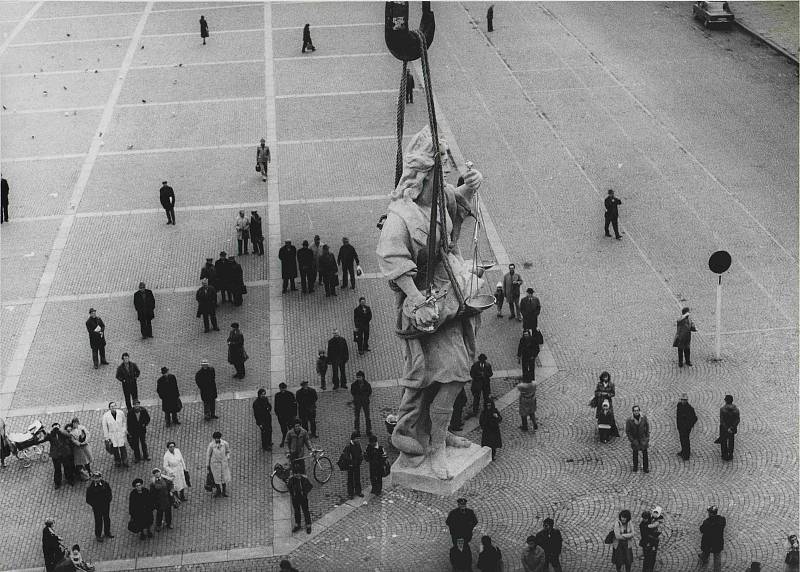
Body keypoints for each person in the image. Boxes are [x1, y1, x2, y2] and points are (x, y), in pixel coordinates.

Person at [375, 124, 486, 478]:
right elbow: (393, 260)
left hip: (451, 301)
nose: (442, 184)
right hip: (425, 309)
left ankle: (428, 432)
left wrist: (471, 183)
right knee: (448, 374)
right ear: (422, 176)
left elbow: (460, 202)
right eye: (438, 176)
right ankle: (431, 442)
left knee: (449, 372)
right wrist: (416, 299)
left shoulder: (441, 201)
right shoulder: (401, 217)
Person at [85, 472, 113, 542]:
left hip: (105, 506)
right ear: (93, 479)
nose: (97, 479)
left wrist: (108, 501)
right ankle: (98, 535)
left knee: (107, 519)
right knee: (98, 521)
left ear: (100, 477)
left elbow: (109, 493)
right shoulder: (90, 488)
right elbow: (88, 499)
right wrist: (95, 505)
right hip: (97, 508)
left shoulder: (105, 484)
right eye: (95, 478)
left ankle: (107, 532)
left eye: (98, 478)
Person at [287, 460, 313, 534]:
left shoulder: (304, 479)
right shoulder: (291, 479)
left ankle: (308, 525)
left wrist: (305, 493)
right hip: (295, 498)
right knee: (297, 511)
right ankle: (298, 524)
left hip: (303, 497)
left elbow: (310, 486)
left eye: (298, 473)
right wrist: (292, 494)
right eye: (296, 474)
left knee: (306, 511)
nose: (298, 475)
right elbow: (289, 487)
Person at [46, 422, 75, 488]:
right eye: (54, 427)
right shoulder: (51, 434)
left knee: (67, 467)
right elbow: (46, 438)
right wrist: (50, 432)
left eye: (57, 426)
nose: (56, 428)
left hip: (64, 453)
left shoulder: (62, 433)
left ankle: (69, 479)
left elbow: (69, 435)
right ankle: (57, 482)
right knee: (57, 469)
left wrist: (60, 431)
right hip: (56, 455)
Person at [101, 402, 128, 467]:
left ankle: (125, 461)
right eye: (111, 406)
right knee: (115, 449)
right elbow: (105, 427)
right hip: (112, 435)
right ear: (109, 408)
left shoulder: (120, 413)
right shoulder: (106, 416)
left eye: (114, 406)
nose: (113, 408)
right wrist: (107, 437)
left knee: (123, 448)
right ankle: (117, 461)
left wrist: (123, 430)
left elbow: (124, 422)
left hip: (120, 433)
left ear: (116, 406)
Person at [699, 505, 726, 571]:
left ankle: (704, 558)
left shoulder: (707, 522)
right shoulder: (722, 520)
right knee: (717, 557)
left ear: (711, 513)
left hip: (708, 543)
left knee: (706, 550)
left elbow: (702, 529)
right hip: (718, 542)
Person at [466, 354, 493, 418]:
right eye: (481, 360)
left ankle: (486, 410)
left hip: (485, 384)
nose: (482, 362)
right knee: (476, 398)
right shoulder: (475, 365)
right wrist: (479, 376)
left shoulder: (488, 365)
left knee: (486, 397)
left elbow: (491, 374)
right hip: (477, 385)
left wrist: (485, 375)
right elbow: (472, 374)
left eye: (483, 361)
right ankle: (475, 410)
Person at [206, 431, 231, 497]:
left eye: (218, 438)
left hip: (223, 464)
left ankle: (224, 491)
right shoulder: (211, 445)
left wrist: (227, 458)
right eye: (215, 438)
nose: (217, 439)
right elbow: (208, 455)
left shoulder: (225, 444)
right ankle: (218, 490)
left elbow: (228, 451)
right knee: (216, 478)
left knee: (224, 478)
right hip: (215, 464)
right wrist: (207, 465)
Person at [594, 372, 619, 438]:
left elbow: (613, 393)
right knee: (601, 415)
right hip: (600, 402)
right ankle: (601, 431)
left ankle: (611, 430)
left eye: (606, 377)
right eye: (604, 377)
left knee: (609, 414)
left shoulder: (611, 384)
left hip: (608, 401)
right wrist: (601, 394)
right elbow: (596, 392)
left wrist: (607, 394)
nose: (605, 378)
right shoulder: (599, 384)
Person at [625, 405, 650, 472]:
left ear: (639, 411)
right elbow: (628, 431)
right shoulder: (629, 420)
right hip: (635, 439)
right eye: (635, 411)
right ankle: (635, 467)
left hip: (643, 439)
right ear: (633, 412)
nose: (636, 412)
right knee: (635, 454)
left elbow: (647, 427)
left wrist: (647, 438)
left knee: (645, 454)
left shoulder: (643, 418)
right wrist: (632, 440)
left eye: (637, 410)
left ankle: (646, 468)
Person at [641, 507, 664, 572]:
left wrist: (648, 526)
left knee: (652, 557)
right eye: (654, 512)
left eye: (657, 513)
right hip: (648, 541)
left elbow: (654, 526)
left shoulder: (657, 521)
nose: (655, 514)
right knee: (647, 558)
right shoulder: (649, 519)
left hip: (653, 541)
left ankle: (649, 569)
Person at [275, 382, 297, 448]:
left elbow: (294, 405)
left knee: (291, 428)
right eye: (282, 389)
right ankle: (284, 439)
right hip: (282, 416)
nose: (283, 390)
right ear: (280, 389)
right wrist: (277, 414)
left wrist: (294, 414)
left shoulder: (290, 394)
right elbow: (276, 406)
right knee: (284, 429)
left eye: (284, 388)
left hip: (290, 415)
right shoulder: (277, 395)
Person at [676, 393, 698, 460]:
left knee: (686, 440)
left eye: (684, 400)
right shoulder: (679, 406)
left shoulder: (690, 408)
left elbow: (695, 418)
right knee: (682, 440)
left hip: (686, 428)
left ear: (687, 400)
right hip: (680, 426)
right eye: (682, 400)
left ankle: (686, 454)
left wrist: (689, 426)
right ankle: (683, 451)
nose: (683, 401)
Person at [719, 394, 740, 460]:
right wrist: (732, 427)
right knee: (731, 441)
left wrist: (727, 428)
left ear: (726, 401)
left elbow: (722, 421)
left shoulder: (722, 409)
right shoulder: (736, 409)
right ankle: (730, 454)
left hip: (724, 429)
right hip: (732, 429)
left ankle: (724, 454)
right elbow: (737, 420)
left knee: (723, 441)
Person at [351, 371, 372, 436]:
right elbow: (352, 392)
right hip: (357, 402)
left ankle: (368, 430)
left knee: (367, 417)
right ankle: (357, 430)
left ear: (363, 377)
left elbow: (369, 392)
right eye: (357, 377)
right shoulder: (354, 385)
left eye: (359, 377)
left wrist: (364, 397)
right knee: (357, 417)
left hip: (365, 402)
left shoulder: (367, 384)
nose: (358, 378)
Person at [343, 431, 363, 499]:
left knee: (357, 478)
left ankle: (358, 491)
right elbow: (346, 457)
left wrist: (360, 461)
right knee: (350, 480)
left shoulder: (358, 444)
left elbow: (360, 453)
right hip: (351, 466)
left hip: (357, 465)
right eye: (357, 438)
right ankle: (350, 493)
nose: (358, 440)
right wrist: (350, 463)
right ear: (353, 438)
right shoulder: (348, 446)